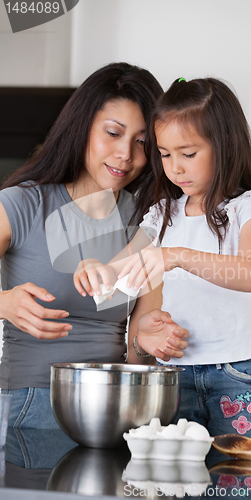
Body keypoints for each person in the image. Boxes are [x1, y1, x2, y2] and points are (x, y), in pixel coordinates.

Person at [80, 77, 251, 447]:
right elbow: (123, 266)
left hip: (235, 371)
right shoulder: (162, 214)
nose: (175, 168)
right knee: (177, 475)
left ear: (225, 146)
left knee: (236, 475)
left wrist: (176, 256)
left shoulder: (250, 208)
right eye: (165, 154)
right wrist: (99, 271)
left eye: (188, 154)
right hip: (173, 371)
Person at [0, 63, 188, 429]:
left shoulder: (146, 222)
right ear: (82, 126)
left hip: (116, 406)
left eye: (141, 143)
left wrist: (147, 341)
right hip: (31, 404)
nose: (126, 155)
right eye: (113, 133)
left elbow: (136, 345)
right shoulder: (21, 205)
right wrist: (3, 303)